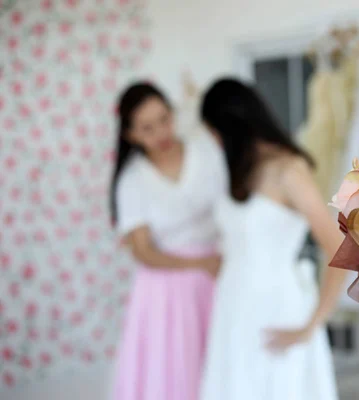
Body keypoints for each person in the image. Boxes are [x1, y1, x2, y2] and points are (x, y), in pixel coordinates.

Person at [200, 78, 347, 400]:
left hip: (278, 308)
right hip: (232, 306)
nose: (214, 142)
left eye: (214, 133)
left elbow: (338, 249)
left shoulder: (289, 170)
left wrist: (313, 323)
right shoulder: (238, 171)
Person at [109, 82, 226, 400]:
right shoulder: (132, 180)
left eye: (164, 119)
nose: (161, 132)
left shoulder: (206, 152)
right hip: (165, 289)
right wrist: (199, 263)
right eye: (147, 128)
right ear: (131, 135)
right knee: (173, 373)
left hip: (218, 274)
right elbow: (144, 251)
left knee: (221, 366)